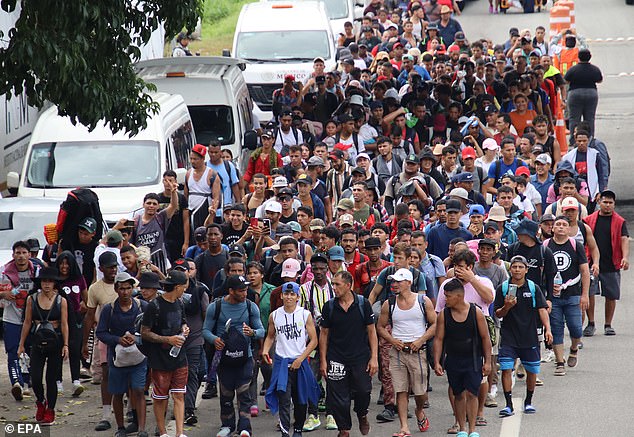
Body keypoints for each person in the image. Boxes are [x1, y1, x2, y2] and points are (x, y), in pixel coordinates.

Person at [203, 275, 265, 437]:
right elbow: (205, 331)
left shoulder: (251, 307)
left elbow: (261, 331)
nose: (245, 293)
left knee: (244, 393)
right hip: (224, 359)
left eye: (246, 290)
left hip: (246, 358)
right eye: (241, 291)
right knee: (226, 394)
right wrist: (214, 339)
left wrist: (252, 332)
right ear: (231, 291)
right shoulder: (215, 307)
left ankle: (245, 427)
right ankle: (227, 425)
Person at [376, 268, 436, 437]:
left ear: (409, 283)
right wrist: (393, 341)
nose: (394, 284)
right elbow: (380, 326)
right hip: (397, 351)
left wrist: (420, 340)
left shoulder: (423, 301)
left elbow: (434, 324)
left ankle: (418, 411)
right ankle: (404, 427)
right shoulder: (390, 303)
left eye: (398, 281)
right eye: (393, 281)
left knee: (420, 391)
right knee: (400, 390)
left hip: (418, 351)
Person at [319, 271, 376, 437]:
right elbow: (324, 334)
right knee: (338, 398)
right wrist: (323, 360)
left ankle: (362, 414)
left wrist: (374, 358)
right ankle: (343, 429)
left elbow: (372, 332)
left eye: (337, 284)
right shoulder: (329, 306)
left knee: (363, 391)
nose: (334, 287)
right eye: (333, 284)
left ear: (348, 285)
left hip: (360, 357)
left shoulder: (362, 304)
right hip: (336, 358)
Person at [494, 256, 552, 417]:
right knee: (506, 369)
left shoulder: (533, 288)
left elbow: (542, 309)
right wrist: (507, 306)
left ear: (526, 269)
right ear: (510, 269)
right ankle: (508, 404)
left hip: (529, 336)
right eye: (514, 267)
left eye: (521, 267)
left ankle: (528, 402)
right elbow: (498, 314)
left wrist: (548, 329)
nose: (517, 270)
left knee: (532, 371)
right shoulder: (503, 288)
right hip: (509, 336)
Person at [433, 278, 492, 437]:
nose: (445, 299)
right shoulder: (444, 315)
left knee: (472, 393)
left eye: (448, 296)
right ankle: (461, 428)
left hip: (472, 359)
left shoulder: (476, 312)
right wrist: (437, 361)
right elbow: (438, 338)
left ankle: (472, 429)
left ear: (458, 296)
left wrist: (487, 361)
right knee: (458, 394)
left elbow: (485, 338)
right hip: (453, 360)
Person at [262, 281, 320, 437]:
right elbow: (270, 336)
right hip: (282, 363)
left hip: (299, 362)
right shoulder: (274, 315)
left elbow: (314, 340)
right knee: (284, 398)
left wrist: (301, 358)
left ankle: (298, 430)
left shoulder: (305, 314)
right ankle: (285, 432)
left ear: (297, 297)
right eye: (286, 294)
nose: (288, 297)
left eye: (292, 294)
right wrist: (265, 351)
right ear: (281, 296)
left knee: (301, 399)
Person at [96, 272, 149, 437]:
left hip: (139, 357)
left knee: (139, 391)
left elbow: (150, 330)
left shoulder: (142, 306)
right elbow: (101, 333)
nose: (125, 292)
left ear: (133, 289)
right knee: (117, 393)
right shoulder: (108, 310)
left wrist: (136, 337)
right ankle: (120, 428)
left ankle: (141, 429)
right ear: (116, 289)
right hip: (117, 359)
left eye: (128, 288)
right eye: (122, 289)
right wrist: (118, 339)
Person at [141, 270, 191, 437]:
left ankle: (179, 433)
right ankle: (162, 432)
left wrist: (184, 328)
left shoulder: (180, 303)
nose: (185, 289)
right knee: (160, 397)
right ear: (177, 287)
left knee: (179, 394)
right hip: (159, 359)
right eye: (184, 287)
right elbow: (145, 332)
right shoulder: (154, 306)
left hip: (179, 357)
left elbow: (182, 321)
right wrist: (167, 339)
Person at [17, 267, 68, 425]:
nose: (47, 284)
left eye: (50, 281)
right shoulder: (31, 299)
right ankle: (40, 402)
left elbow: (65, 324)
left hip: (55, 340)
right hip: (37, 341)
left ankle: (51, 409)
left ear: (55, 284)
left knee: (51, 379)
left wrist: (66, 344)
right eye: (44, 281)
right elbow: (27, 322)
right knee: (36, 377)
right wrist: (21, 345)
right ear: (40, 283)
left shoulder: (61, 301)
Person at [544, 216, 590, 376]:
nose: (561, 227)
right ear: (552, 228)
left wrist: (585, 295)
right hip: (553, 296)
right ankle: (559, 362)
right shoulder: (546, 246)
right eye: (558, 225)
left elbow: (584, 270)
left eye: (564, 225)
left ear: (569, 229)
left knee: (576, 328)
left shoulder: (575, 245)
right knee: (556, 330)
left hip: (573, 295)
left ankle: (573, 349)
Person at [583, 190, 629, 336]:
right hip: (592, 263)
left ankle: (608, 324)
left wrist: (625, 257)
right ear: (599, 202)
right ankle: (591, 323)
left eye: (610, 203)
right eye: (605, 202)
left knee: (611, 295)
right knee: (589, 293)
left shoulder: (620, 221)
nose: (607, 205)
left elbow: (624, 239)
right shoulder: (588, 220)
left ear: (614, 204)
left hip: (611, 263)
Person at [82, 251, 119, 431]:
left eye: (115, 266)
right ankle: (106, 414)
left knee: (127, 374)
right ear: (101, 268)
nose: (113, 270)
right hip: (104, 336)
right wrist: (85, 344)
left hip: (125, 338)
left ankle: (130, 411)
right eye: (110, 267)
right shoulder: (95, 289)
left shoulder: (126, 283)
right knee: (107, 374)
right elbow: (89, 316)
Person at [2, 240, 37, 401]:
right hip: (12, 319)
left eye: (24, 253)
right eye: (18, 253)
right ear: (13, 255)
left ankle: (27, 382)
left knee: (31, 351)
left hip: (31, 319)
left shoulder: (36, 271)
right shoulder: (4, 273)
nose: (21, 256)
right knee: (13, 352)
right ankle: (17, 383)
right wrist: (3, 294)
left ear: (29, 254)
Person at [55, 251, 88, 397]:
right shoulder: (55, 280)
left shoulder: (79, 279)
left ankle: (76, 381)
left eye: (67, 263)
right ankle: (58, 382)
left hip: (76, 319)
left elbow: (86, 298)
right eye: (62, 263)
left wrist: (84, 305)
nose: (64, 266)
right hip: (58, 319)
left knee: (75, 350)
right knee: (57, 350)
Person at [565, 48, 602, 140]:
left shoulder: (573, 69)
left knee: (574, 118)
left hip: (575, 93)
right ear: (590, 57)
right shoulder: (594, 69)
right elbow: (600, 80)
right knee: (590, 118)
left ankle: (574, 139)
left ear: (578, 57)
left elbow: (566, 80)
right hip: (591, 93)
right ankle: (590, 139)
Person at [185, 144, 221, 230]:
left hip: (205, 211)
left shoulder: (212, 174)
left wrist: (212, 215)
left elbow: (216, 198)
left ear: (203, 159)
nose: (192, 161)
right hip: (190, 211)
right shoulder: (188, 173)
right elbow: (186, 195)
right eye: (191, 158)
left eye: (195, 159)